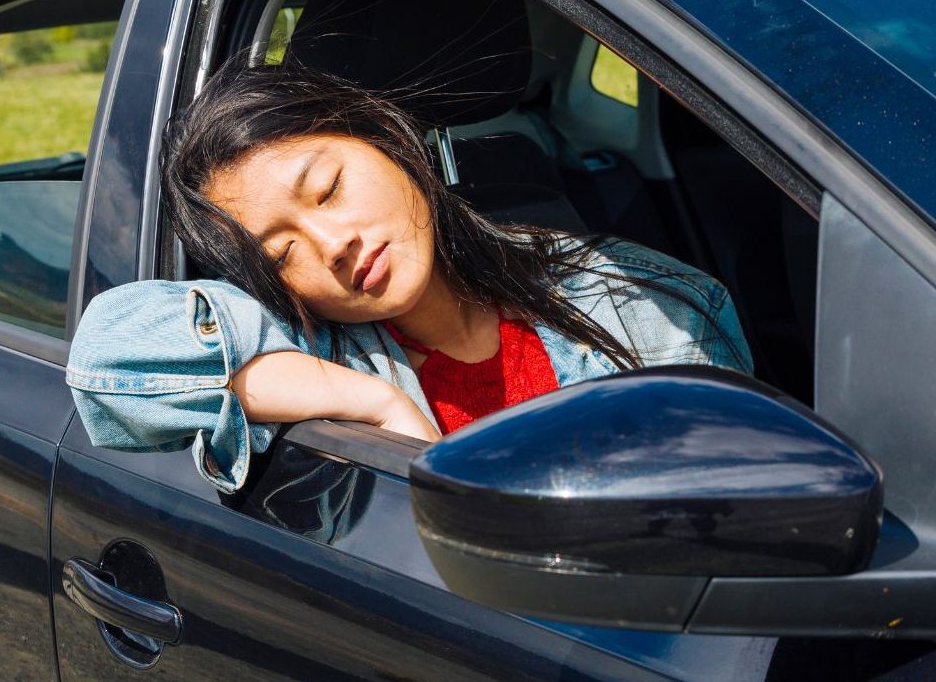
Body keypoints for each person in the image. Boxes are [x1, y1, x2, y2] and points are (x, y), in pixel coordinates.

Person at [66, 55, 753, 493]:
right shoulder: (314, 349)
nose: (333, 244)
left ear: (386, 138)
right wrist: (375, 404)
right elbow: (107, 358)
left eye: (328, 188)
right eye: (280, 254)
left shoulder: (640, 303)